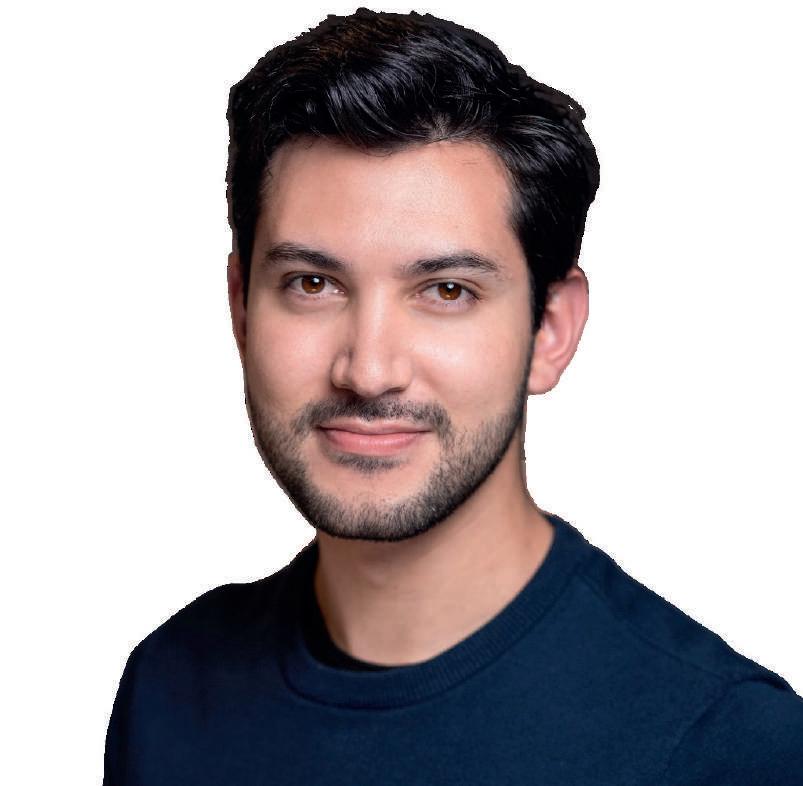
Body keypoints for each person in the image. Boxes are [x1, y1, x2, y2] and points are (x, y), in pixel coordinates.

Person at [102, 8, 803, 784]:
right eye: (312, 284)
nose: (368, 370)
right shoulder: (170, 686)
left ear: (550, 329)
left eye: (445, 290)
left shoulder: (729, 744)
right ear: (241, 308)